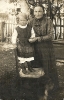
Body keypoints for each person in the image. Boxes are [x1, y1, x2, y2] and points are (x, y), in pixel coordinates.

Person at [29, 4, 59, 98]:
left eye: (39, 11)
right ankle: (38, 89)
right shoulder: (31, 22)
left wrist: (38, 38)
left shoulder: (48, 21)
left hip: (46, 48)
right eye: (36, 11)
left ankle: (50, 88)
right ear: (33, 12)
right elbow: (27, 34)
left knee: (47, 68)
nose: (37, 13)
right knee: (36, 68)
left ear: (43, 12)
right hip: (34, 48)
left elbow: (50, 36)